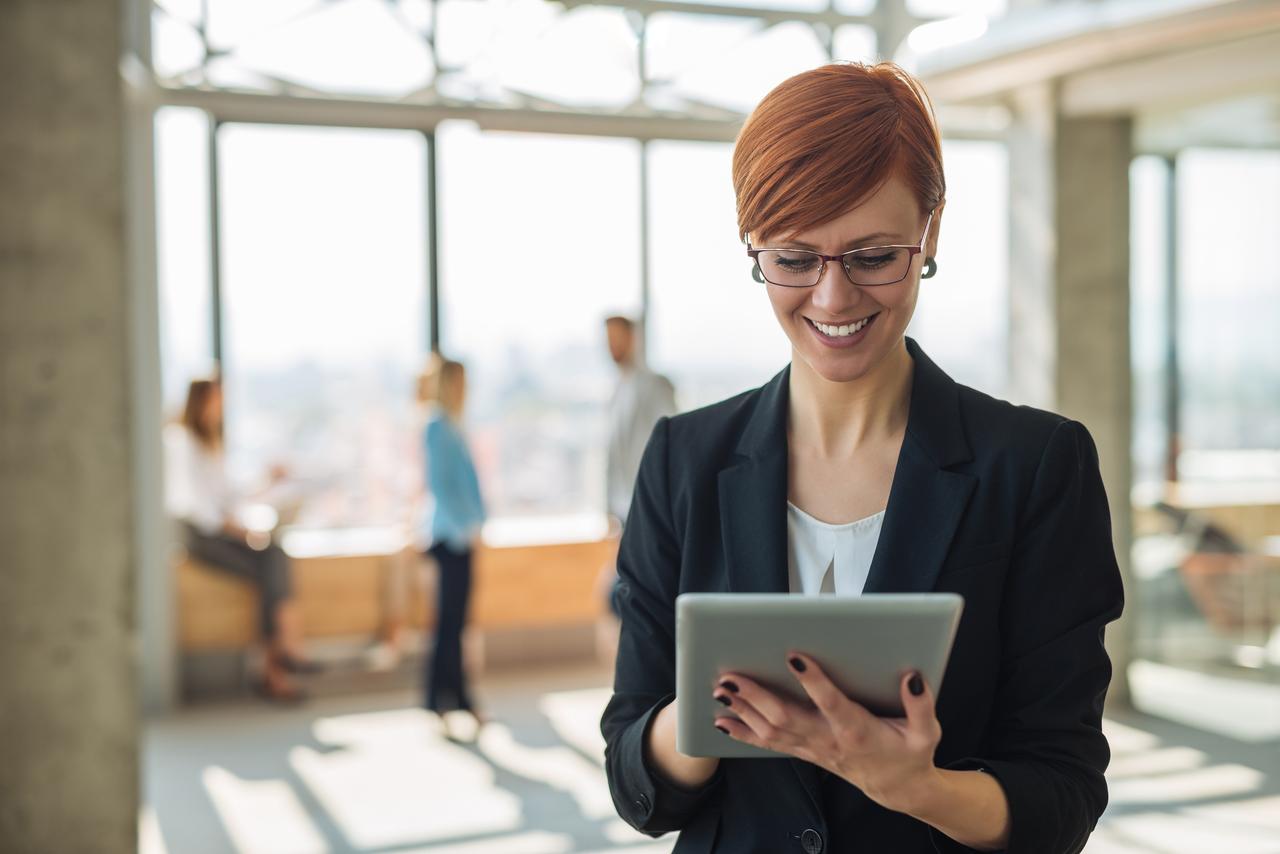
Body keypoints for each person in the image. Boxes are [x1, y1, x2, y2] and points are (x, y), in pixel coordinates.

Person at [600, 62, 1124, 854]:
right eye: (794, 258)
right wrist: (697, 719)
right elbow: (634, 783)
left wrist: (923, 789)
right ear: (754, 247)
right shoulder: (684, 459)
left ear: (931, 232)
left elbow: (1063, 793)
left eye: (874, 256)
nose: (834, 298)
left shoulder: (1037, 468)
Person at [165, 377, 315, 703]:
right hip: (202, 537)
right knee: (272, 564)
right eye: (216, 401)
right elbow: (201, 508)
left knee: (274, 559)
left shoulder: (210, 443)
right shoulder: (183, 442)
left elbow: (230, 496)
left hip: (221, 531)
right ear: (200, 402)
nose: (220, 409)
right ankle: (284, 654)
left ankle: (278, 664)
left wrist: (268, 480)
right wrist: (240, 531)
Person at [418, 355, 487, 736]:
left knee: (456, 624)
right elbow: (443, 486)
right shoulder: (436, 427)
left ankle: (456, 697)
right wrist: (468, 526)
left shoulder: (453, 426)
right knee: (447, 624)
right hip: (450, 537)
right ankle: (442, 699)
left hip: (461, 534)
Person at [599, 316, 677, 616]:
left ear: (634, 339)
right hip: (622, 509)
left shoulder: (655, 385)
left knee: (641, 595)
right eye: (608, 340)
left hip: (646, 505)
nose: (612, 347)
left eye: (617, 338)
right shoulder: (617, 389)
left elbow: (667, 446)